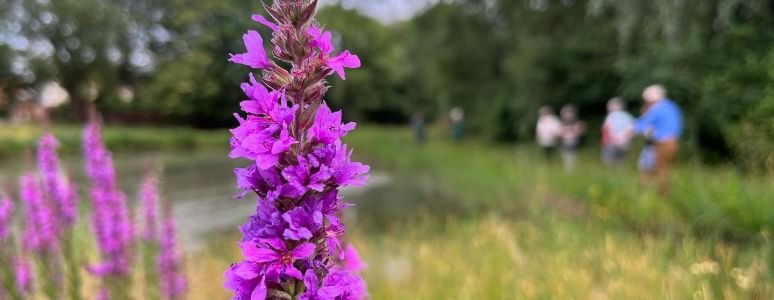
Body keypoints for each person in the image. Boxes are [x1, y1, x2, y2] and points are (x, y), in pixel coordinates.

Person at [635, 85, 683, 196]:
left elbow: (644, 122)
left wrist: (631, 127)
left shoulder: (657, 108)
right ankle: (663, 194)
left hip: (661, 143)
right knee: (665, 168)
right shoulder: (672, 107)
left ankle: (656, 194)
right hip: (673, 142)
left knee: (652, 168)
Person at [601, 97, 634, 167]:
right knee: (621, 163)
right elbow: (632, 130)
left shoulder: (611, 116)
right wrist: (625, 141)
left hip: (611, 144)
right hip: (624, 144)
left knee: (609, 164)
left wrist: (613, 141)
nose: (608, 107)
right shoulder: (628, 116)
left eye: (609, 105)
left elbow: (607, 129)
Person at [559, 105, 586, 173]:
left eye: (569, 113)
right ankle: (569, 173)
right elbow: (559, 133)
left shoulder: (576, 123)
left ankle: (574, 172)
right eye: (566, 113)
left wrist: (575, 129)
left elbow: (581, 131)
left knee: (574, 159)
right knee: (567, 160)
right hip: (565, 143)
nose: (568, 115)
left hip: (574, 143)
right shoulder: (562, 123)